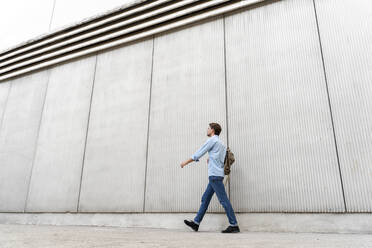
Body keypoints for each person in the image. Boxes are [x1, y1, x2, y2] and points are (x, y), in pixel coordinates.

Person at [180, 122, 240, 233]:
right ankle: (196, 223)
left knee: (223, 200)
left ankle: (234, 224)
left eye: (208, 128)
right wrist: (211, 159)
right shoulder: (221, 144)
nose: (207, 130)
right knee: (205, 198)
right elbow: (220, 160)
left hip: (214, 176)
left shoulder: (211, 140)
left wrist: (185, 162)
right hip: (217, 175)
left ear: (212, 130)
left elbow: (199, 153)